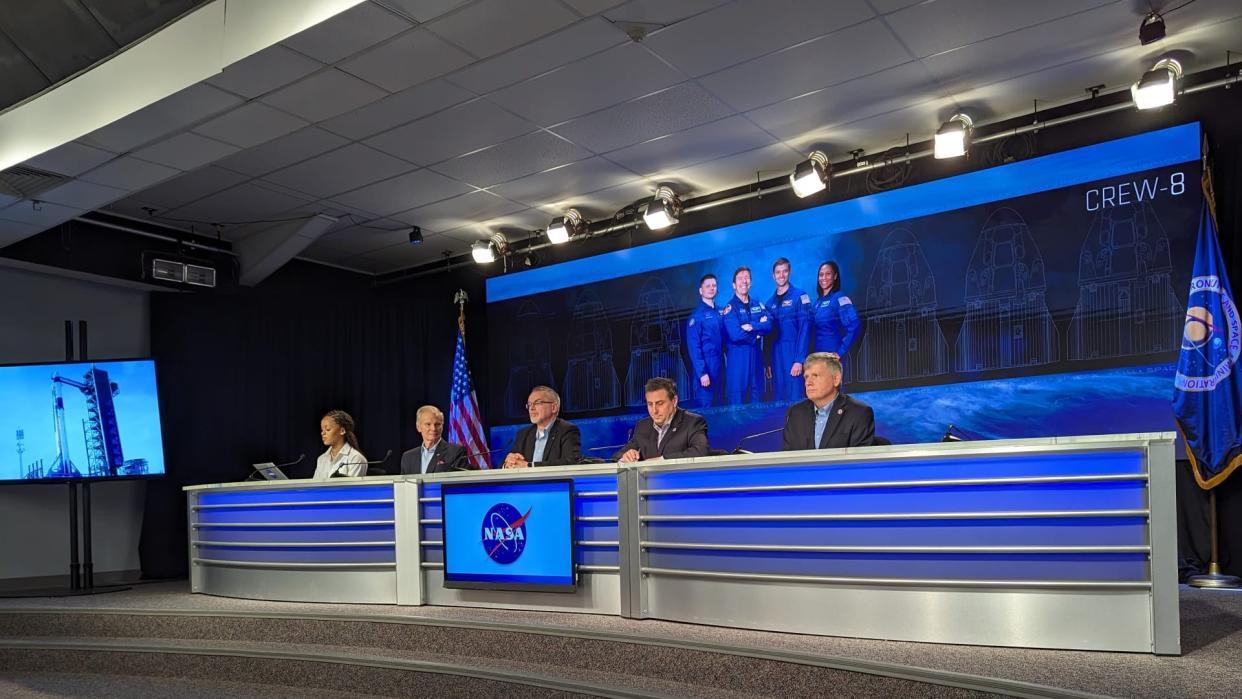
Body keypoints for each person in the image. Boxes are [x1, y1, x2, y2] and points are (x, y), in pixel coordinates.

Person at [782, 352, 874, 451]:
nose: (808, 383)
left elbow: (859, 462)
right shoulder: (795, 413)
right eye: (806, 377)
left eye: (815, 375)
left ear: (836, 379)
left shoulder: (858, 413)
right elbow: (788, 460)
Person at [613, 377, 709, 462]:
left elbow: (701, 451)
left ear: (674, 401)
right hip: (649, 482)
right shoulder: (642, 426)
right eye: (650, 404)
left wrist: (661, 461)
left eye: (660, 403)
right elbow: (617, 457)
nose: (654, 411)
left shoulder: (693, 422)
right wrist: (626, 456)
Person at [722, 266, 772, 403]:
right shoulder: (729, 308)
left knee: (758, 404)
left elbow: (770, 324)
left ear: (750, 282)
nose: (744, 281)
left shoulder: (758, 304)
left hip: (756, 360)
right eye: (740, 278)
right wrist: (756, 335)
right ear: (734, 285)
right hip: (739, 363)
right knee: (738, 407)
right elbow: (735, 334)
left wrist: (753, 326)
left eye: (747, 278)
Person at [765, 257, 812, 402]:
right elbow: (767, 336)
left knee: (796, 398)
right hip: (776, 358)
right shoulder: (769, 303)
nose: (781, 275)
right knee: (778, 398)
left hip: (792, 355)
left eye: (784, 271)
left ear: (789, 272)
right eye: (778, 272)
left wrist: (799, 359)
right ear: (773, 276)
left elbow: (805, 329)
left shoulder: (800, 296)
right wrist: (767, 362)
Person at [503, 386, 582, 468]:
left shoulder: (567, 430)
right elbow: (506, 463)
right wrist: (508, 464)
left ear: (554, 408)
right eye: (529, 404)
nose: (531, 408)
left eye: (537, 403)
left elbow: (571, 462)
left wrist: (529, 466)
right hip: (527, 481)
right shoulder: (523, 434)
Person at [811, 261, 862, 374]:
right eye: (821, 274)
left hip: (833, 359)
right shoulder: (817, 303)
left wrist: (840, 352)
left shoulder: (840, 299)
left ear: (835, 276)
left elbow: (855, 325)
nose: (823, 278)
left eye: (828, 274)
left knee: (835, 391)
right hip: (818, 359)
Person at [686, 273, 726, 406]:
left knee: (721, 410)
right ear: (700, 290)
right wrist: (702, 373)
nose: (711, 288)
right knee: (706, 411)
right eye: (707, 286)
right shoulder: (697, 316)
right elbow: (694, 347)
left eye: (714, 285)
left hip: (720, 367)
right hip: (706, 368)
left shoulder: (721, 312)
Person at [400, 405, 471, 474]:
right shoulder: (408, 457)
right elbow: (402, 485)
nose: (433, 429)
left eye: (438, 424)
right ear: (418, 427)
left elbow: (461, 482)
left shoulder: (456, 452)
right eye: (428, 424)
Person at [313, 409, 367, 479]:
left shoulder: (356, 459)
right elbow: (314, 486)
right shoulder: (321, 459)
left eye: (328, 429)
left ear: (342, 431)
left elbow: (352, 489)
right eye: (322, 430)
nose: (322, 433)